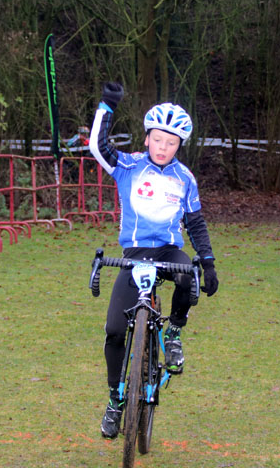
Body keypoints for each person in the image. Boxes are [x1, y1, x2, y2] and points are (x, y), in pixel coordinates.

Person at [88, 82, 219, 439]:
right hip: (133, 255)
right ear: (147, 138)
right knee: (115, 330)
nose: (164, 147)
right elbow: (97, 147)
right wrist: (107, 107)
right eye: (158, 140)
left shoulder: (185, 178)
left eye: (172, 142)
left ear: (180, 146)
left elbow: (194, 222)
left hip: (167, 252)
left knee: (185, 278)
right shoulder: (128, 166)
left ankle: (174, 331)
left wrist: (207, 262)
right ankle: (116, 400)